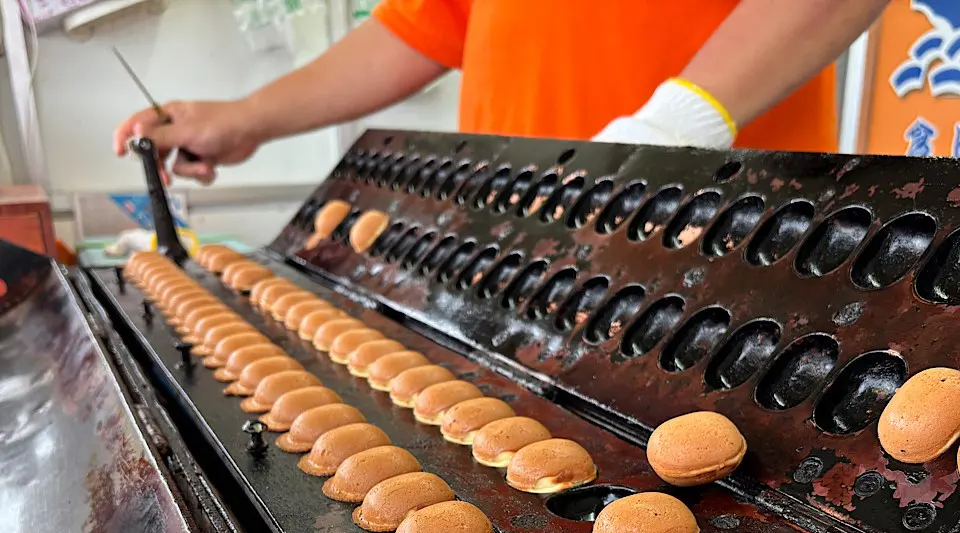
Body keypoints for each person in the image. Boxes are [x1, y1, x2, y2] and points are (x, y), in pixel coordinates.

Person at [113, 0, 890, 185]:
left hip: (712, 212)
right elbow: (425, 25)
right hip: (522, 226)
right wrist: (248, 117)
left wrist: (680, 120)